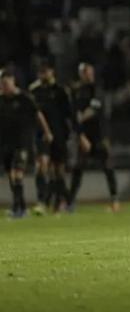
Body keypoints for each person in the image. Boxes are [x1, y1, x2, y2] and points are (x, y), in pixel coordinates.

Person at [0, 68, 53, 218]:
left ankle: (19, 209)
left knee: (17, 174)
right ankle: (20, 207)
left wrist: (47, 132)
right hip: (5, 144)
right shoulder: (1, 99)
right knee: (11, 177)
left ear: (12, 81)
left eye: (5, 83)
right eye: (1, 83)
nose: (3, 86)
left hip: (22, 143)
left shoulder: (24, 98)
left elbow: (38, 115)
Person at [70, 63, 120, 212]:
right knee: (78, 169)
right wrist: (80, 135)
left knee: (108, 167)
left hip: (99, 135)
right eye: (87, 73)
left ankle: (115, 201)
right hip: (85, 135)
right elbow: (73, 111)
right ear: (81, 74)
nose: (90, 75)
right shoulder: (77, 91)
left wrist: (80, 117)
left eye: (91, 72)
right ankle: (70, 202)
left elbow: (94, 109)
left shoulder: (97, 89)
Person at [29, 60, 74, 213]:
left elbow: (69, 114)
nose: (43, 74)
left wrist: (72, 133)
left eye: (45, 71)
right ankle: (41, 201)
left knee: (58, 171)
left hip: (59, 134)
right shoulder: (34, 91)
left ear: (52, 72)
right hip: (41, 135)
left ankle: (63, 200)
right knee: (42, 165)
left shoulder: (61, 91)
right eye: (41, 72)